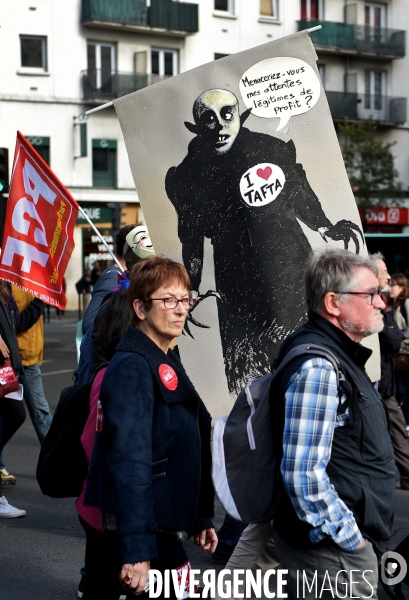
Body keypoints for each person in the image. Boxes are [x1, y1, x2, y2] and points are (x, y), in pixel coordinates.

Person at [165, 88, 364, 395]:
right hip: (236, 289)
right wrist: (190, 289)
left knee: (312, 370)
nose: (219, 126)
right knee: (250, 386)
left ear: (239, 118)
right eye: (209, 120)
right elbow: (191, 239)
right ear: (197, 127)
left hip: (291, 276)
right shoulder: (188, 174)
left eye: (227, 115)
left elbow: (298, 192)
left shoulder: (270, 149)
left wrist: (326, 226)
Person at [85, 256, 217, 598]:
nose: (180, 309)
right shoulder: (132, 365)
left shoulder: (167, 355)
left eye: (185, 299)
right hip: (146, 525)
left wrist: (201, 515)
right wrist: (137, 549)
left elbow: (190, 437)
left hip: (165, 519)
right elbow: (129, 461)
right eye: (168, 300)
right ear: (140, 308)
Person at [270, 248, 395, 599]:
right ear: (333, 303)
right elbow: (302, 474)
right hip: (332, 554)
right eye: (370, 294)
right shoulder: (319, 367)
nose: (381, 303)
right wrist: (351, 539)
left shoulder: (331, 353)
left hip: (335, 548)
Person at [76, 290, 133, 599]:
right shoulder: (118, 376)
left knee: (101, 576)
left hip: (95, 504)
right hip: (108, 505)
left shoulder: (104, 372)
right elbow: (95, 443)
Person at [372, 255, 409, 491]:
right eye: (384, 272)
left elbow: (395, 337)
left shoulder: (389, 302)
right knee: (393, 424)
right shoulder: (374, 300)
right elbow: (389, 335)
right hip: (379, 377)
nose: (388, 277)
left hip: (384, 374)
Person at [12, 284, 52, 444]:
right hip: (15, 356)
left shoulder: (30, 278)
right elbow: (14, 322)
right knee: (11, 414)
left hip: (28, 355)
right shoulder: (7, 278)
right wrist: (40, 301)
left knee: (39, 411)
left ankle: (55, 462)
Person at [389, 273, 409, 425]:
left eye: (393, 285)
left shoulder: (406, 304)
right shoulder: (393, 305)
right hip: (398, 355)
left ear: (402, 288)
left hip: (404, 354)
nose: (389, 288)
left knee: (404, 389)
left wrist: (400, 342)